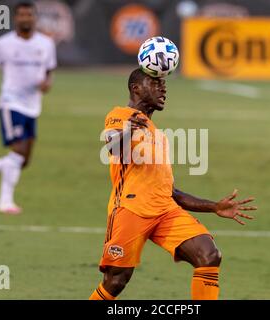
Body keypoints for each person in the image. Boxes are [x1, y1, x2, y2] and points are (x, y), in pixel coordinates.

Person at [89, 68, 257, 300]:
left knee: (209, 255)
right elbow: (113, 148)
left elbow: (171, 192)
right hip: (130, 211)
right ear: (136, 88)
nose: (163, 88)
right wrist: (128, 131)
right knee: (116, 280)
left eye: (163, 84)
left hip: (164, 212)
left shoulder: (158, 135)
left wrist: (214, 207)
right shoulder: (120, 115)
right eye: (155, 83)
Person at [0, 1, 56, 214]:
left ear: (35, 18)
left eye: (29, 15)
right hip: (10, 103)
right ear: (15, 18)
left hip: (32, 106)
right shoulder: (3, 44)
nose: (25, 18)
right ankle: (5, 201)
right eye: (21, 15)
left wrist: (46, 85)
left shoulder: (46, 44)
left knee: (24, 160)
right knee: (18, 151)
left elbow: (48, 74)